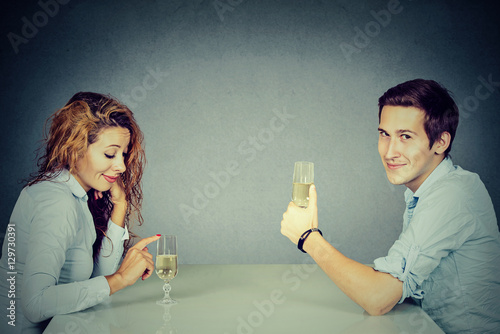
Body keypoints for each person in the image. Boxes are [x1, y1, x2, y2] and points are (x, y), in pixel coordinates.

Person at [281, 79, 500, 333]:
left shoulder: (454, 196)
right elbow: (392, 282)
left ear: (440, 142)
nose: (389, 151)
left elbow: (379, 298)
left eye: (405, 136)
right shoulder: (424, 192)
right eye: (384, 134)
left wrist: (308, 237)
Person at [0, 92, 161, 333]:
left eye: (123, 154)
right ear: (75, 149)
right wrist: (121, 279)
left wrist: (120, 206)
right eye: (110, 153)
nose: (121, 166)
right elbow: (35, 303)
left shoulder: (73, 194)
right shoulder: (56, 201)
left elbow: (95, 282)